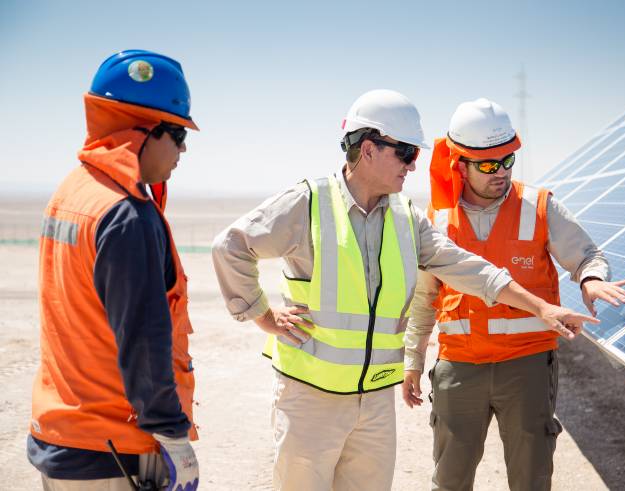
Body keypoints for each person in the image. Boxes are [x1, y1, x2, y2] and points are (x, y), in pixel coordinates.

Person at [211, 89, 599, 491]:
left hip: (375, 403)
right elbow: (231, 246)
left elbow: (474, 271)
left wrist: (543, 308)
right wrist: (263, 316)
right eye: (406, 153)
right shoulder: (308, 202)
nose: (414, 166)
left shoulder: (406, 218)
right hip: (312, 400)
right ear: (368, 149)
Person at [401, 98, 625, 491]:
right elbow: (425, 299)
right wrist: (413, 358)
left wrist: (590, 279)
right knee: (450, 479)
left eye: (507, 160)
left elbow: (588, 255)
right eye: (489, 164)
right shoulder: (436, 220)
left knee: (531, 478)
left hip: (526, 367)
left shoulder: (540, 206)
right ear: (460, 163)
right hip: (460, 368)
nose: (501, 172)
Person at [27, 50, 200, 491]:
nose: (182, 150)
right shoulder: (126, 214)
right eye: (178, 134)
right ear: (143, 131)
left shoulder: (73, 192)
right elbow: (144, 339)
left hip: (62, 435)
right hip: (114, 450)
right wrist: (172, 434)